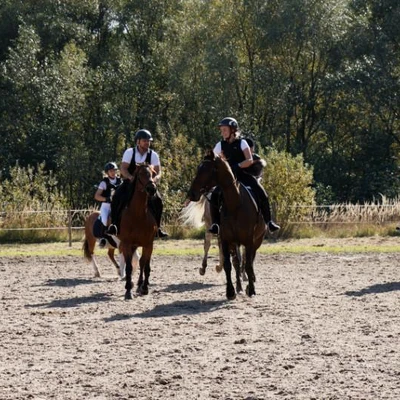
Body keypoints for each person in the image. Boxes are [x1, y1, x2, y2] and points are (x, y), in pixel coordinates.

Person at [208, 117, 280, 235]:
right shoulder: (219, 145)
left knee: (261, 192)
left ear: (232, 130)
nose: (222, 132)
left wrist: (237, 166)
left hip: (243, 175)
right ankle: (215, 224)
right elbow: (212, 160)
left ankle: (269, 222)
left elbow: (249, 160)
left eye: (225, 130)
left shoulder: (242, 143)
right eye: (221, 130)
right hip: (228, 179)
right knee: (215, 195)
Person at [107, 129, 168, 238]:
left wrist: (155, 180)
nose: (147, 143)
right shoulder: (130, 152)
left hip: (148, 185)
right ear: (138, 141)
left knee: (158, 201)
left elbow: (158, 172)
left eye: (148, 141)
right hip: (130, 183)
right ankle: (114, 225)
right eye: (144, 140)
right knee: (116, 197)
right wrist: (130, 177)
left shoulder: (153, 155)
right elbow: (123, 169)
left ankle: (158, 228)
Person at [94, 162, 122, 248]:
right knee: (105, 220)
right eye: (111, 171)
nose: (113, 172)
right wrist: (106, 199)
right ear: (107, 172)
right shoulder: (104, 183)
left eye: (114, 170)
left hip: (118, 205)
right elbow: (97, 196)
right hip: (107, 205)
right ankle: (103, 238)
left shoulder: (120, 181)